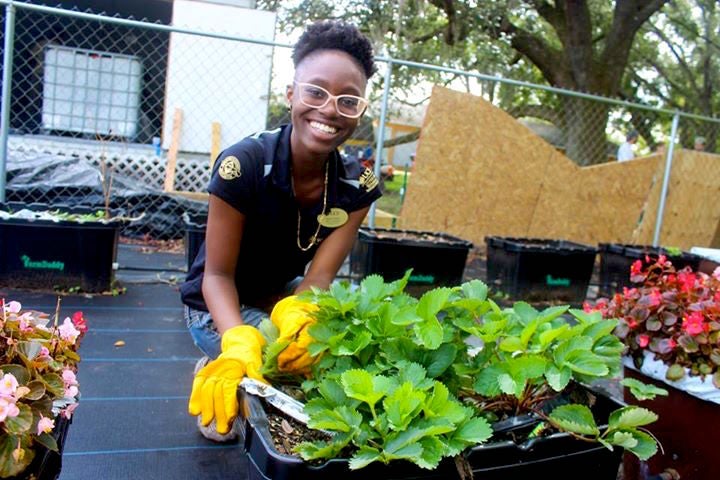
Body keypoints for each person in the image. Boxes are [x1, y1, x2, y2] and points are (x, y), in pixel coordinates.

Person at [180, 20, 381, 441]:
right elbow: (215, 276)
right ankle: (218, 363)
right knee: (261, 357)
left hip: (280, 292)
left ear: (360, 111)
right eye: (316, 92)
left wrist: (299, 317)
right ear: (291, 94)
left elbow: (319, 279)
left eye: (348, 100)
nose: (329, 109)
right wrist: (236, 340)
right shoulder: (244, 165)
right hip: (214, 301)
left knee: (333, 349)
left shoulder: (357, 187)